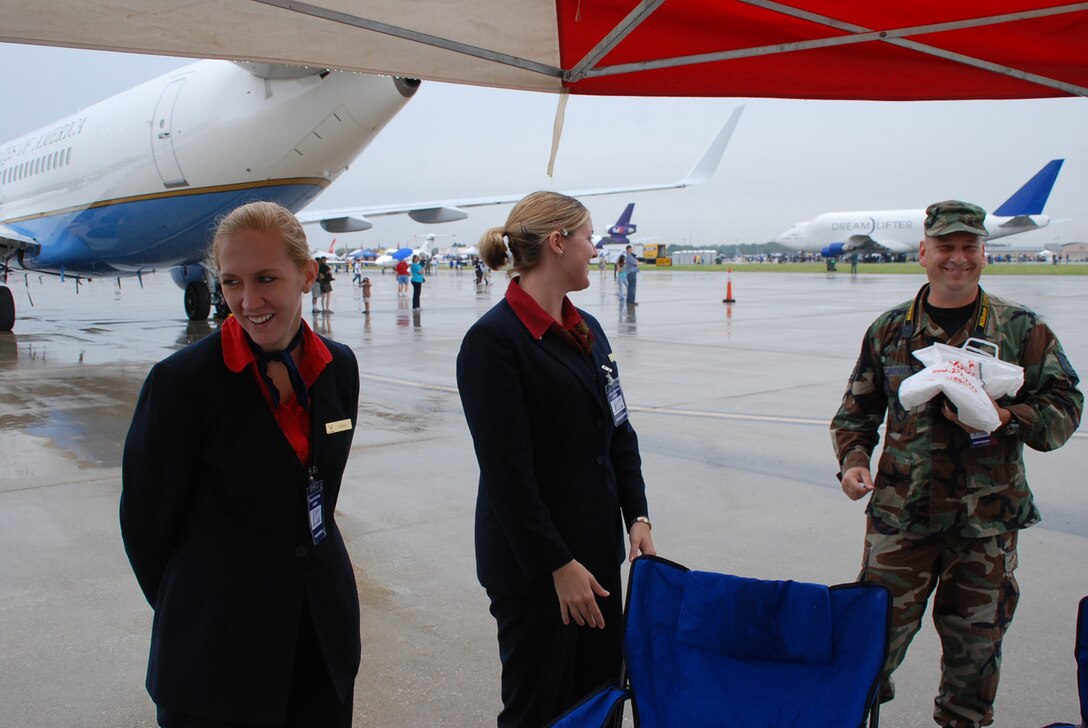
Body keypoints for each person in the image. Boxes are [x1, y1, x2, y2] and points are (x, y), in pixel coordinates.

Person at [830, 200, 1082, 728]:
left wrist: (1006, 417)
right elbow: (856, 412)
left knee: (974, 665)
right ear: (924, 253)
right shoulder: (891, 329)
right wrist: (854, 461)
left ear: (984, 254)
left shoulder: (1021, 329)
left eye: (969, 247)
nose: (958, 258)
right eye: (946, 247)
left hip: (985, 528)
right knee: (867, 654)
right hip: (901, 524)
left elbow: (1065, 406)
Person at [120, 201, 362, 728]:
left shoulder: (338, 367)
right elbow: (146, 527)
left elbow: (319, 494)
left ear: (307, 275)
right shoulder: (182, 385)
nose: (248, 301)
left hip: (320, 638)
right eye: (232, 282)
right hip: (215, 656)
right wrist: (200, 606)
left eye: (267, 278)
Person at [456, 191, 657, 728]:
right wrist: (556, 567)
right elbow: (508, 476)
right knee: (541, 709)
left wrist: (636, 515)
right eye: (588, 237)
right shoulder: (494, 343)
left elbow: (619, 431)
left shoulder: (585, 329)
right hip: (535, 570)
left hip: (595, 556)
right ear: (557, 242)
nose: (595, 249)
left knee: (599, 703)